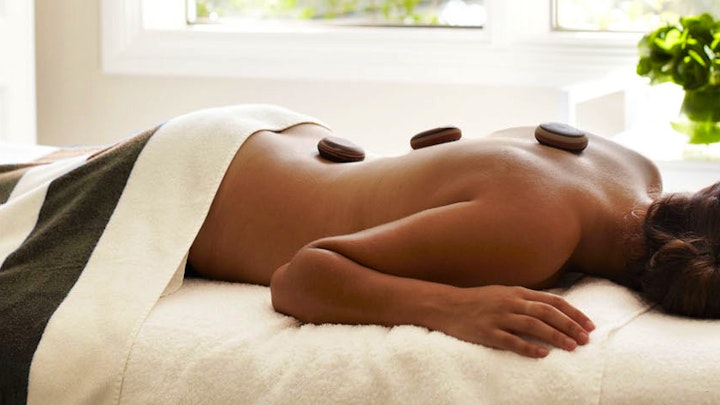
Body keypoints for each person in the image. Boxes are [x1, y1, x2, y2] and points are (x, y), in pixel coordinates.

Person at [187, 121, 719, 358]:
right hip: (187, 183)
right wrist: (453, 307)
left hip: (263, 132)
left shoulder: (634, 167)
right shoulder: (536, 234)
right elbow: (300, 278)